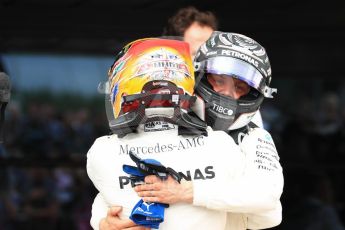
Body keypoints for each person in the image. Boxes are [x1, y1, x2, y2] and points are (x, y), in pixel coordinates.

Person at [88, 33, 283, 230]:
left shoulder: (253, 136)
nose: (228, 93)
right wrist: (103, 222)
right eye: (220, 80)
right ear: (197, 75)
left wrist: (187, 192)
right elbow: (114, 182)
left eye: (240, 87)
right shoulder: (161, 118)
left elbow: (268, 205)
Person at [163, 6, 264, 128]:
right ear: (172, 54)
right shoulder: (155, 94)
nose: (202, 62)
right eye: (196, 54)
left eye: (209, 55)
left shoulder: (242, 107)